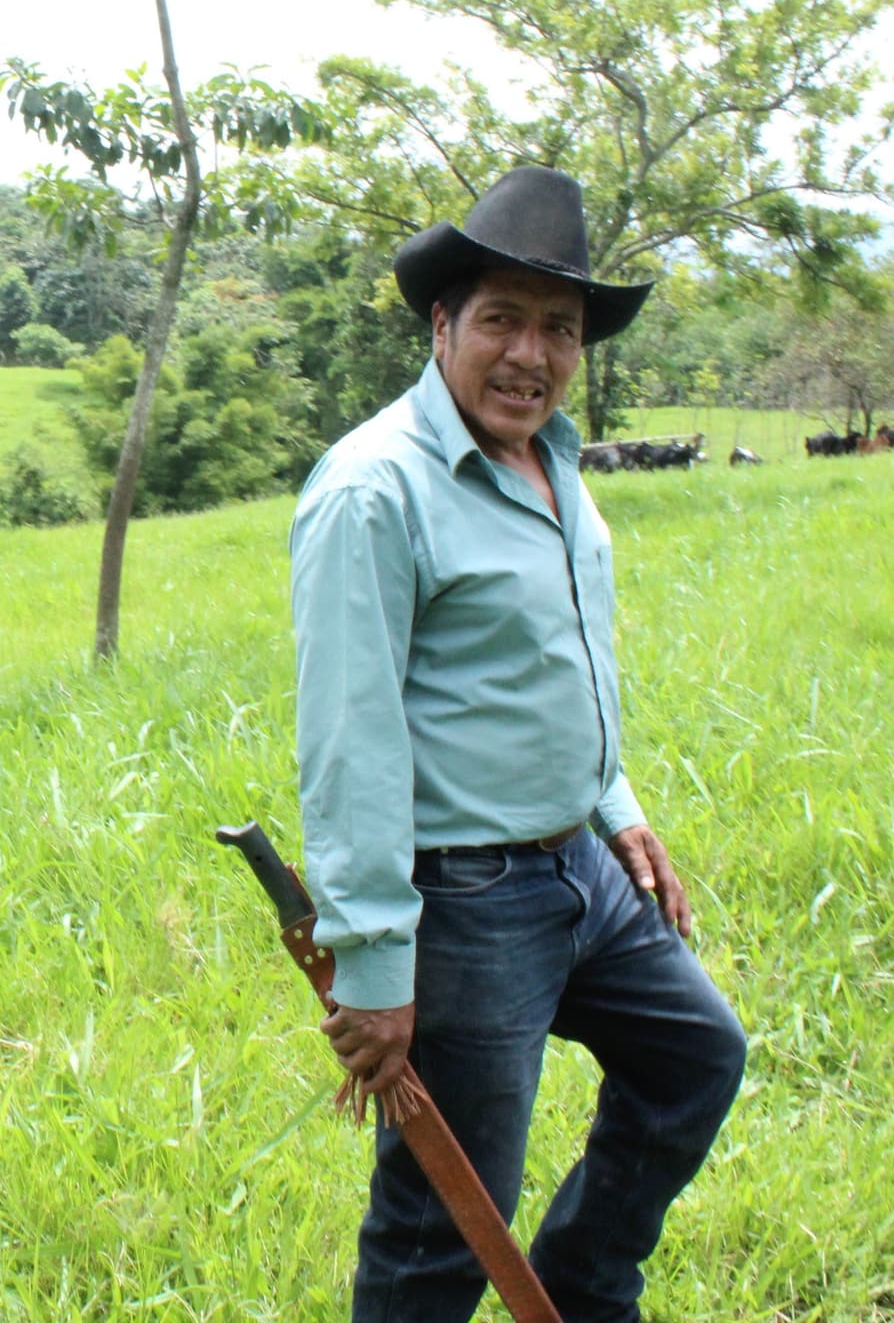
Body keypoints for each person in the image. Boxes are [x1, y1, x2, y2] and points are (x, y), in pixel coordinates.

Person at [288, 166, 747, 1323]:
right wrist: (376, 966)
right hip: (466, 895)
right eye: (501, 318)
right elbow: (351, 745)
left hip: (579, 868)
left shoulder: (557, 465)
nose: (530, 354)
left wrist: (617, 802)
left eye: (560, 328)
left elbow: (561, 661)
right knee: (446, 1218)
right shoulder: (374, 490)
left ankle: (583, 1294)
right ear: (442, 324)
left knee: (695, 1058)